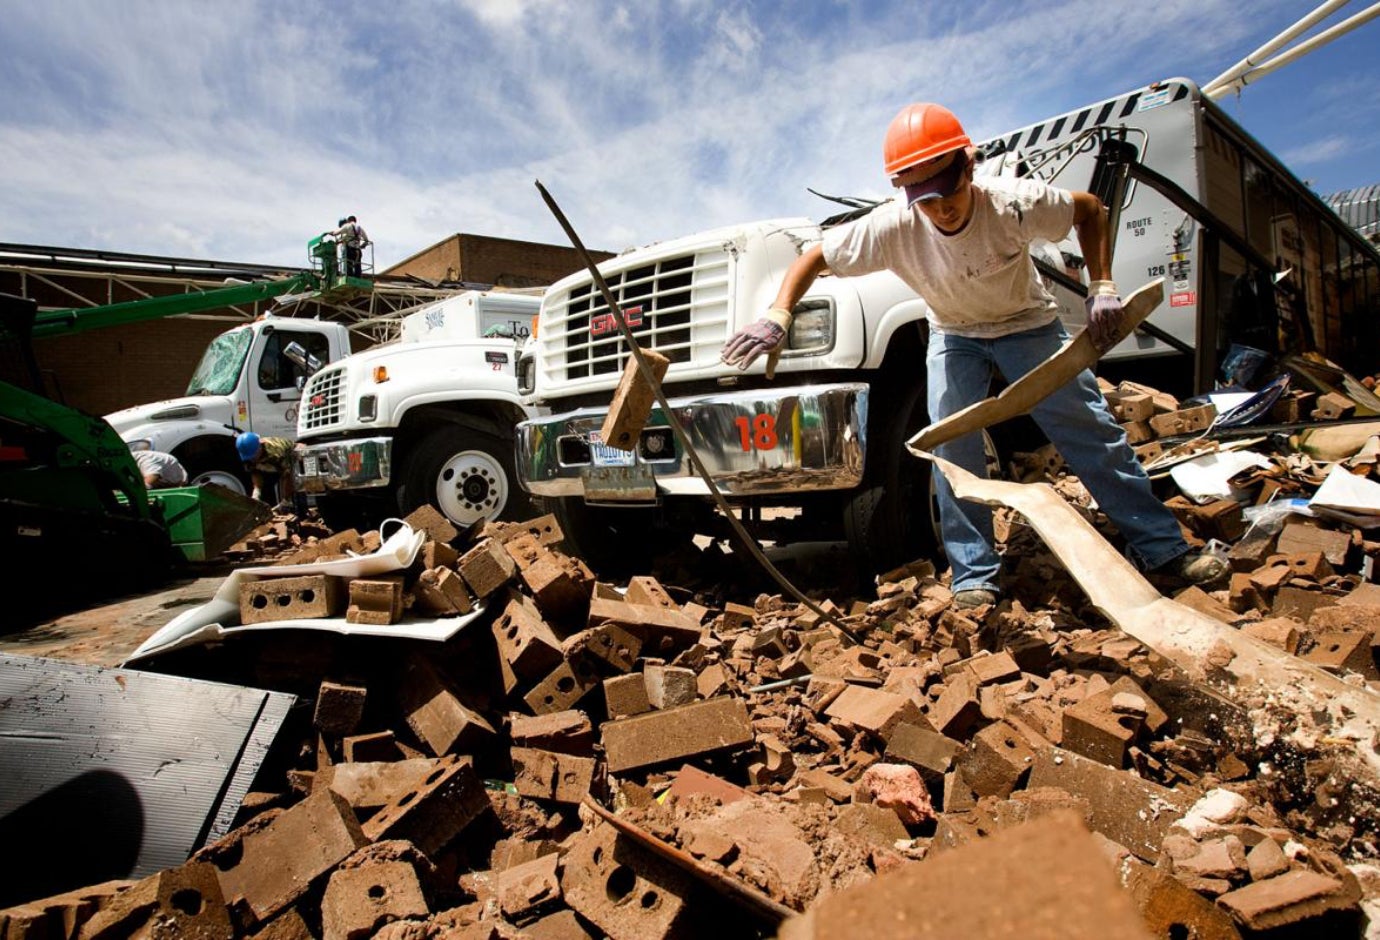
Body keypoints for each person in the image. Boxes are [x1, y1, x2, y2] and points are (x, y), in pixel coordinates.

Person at [720, 102, 1227, 609]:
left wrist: (1103, 283)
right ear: (906, 191)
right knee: (952, 451)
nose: (941, 208)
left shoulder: (1014, 202)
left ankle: (1162, 549)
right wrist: (779, 315)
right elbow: (815, 256)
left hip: (1030, 326)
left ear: (969, 165)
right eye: (924, 198)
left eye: (949, 189)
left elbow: (1091, 210)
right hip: (955, 334)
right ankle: (974, 578)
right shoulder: (893, 225)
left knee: (1089, 434)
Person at [235, 431, 298, 509]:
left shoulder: (275, 453)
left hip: (290, 456)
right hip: (268, 464)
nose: (252, 459)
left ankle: (290, 505)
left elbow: (288, 476)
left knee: (294, 491)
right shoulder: (247, 456)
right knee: (266, 490)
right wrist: (256, 492)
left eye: (254, 456)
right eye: (250, 458)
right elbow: (254, 472)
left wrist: (285, 500)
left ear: (260, 448)